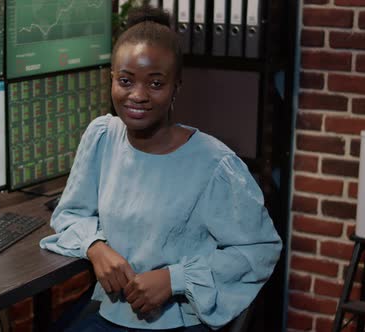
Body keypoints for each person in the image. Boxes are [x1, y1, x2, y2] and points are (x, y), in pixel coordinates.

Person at [39, 6, 282, 331]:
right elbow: (70, 214)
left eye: (155, 84)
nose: (137, 95)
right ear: (112, 79)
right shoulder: (102, 138)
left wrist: (174, 279)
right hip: (109, 313)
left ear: (175, 88)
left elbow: (259, 249)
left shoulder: (214, 165)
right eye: (126, 81)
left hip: (175, 323)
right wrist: (95, 247)